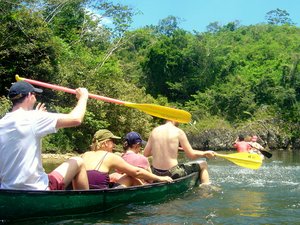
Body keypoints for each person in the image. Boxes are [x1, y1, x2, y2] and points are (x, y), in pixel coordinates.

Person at [0, 81, 89, 190]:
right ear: (29, 95)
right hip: (38, 189)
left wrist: (38, 116)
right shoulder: (34, 118)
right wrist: (83, 97)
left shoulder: (2, 123)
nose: (36, 98)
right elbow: (76, 119)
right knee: (78, 161)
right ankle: (83, 205)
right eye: (35, 95)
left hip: (7, 190)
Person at [81, 129, 173, 189]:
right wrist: (160, 178)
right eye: (112, 142)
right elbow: (137, 172)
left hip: (86, 190)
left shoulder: (85, 155)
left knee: (115, 175)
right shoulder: (111, 157)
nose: (114, 145)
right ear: (105, 143)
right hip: (102, 194)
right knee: (130, 176)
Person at [143, 120, 215, 185]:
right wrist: (205, 153)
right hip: (173, 173)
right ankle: (206, 189)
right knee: (203, 164)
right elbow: (191, 155)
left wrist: (160, 150)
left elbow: (146, 154)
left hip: (155, 173)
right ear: (175, 117)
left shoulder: (154, 131)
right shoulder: (178, 132)